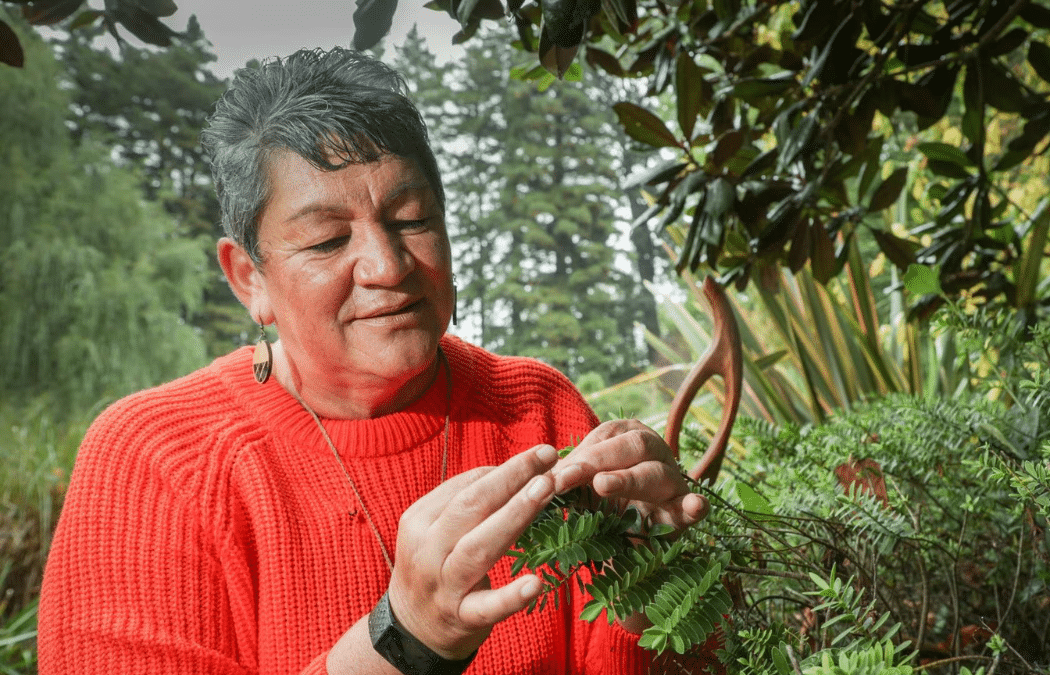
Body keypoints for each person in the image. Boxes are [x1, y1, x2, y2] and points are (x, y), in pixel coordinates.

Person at [38, 47, 715, 675]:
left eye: (412, 218)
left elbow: (667, 656)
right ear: (249, 278)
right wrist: (407, 638)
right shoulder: (157, 459)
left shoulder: (537, 408)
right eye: (329, 240)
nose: (388, 266)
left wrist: (660, 583)